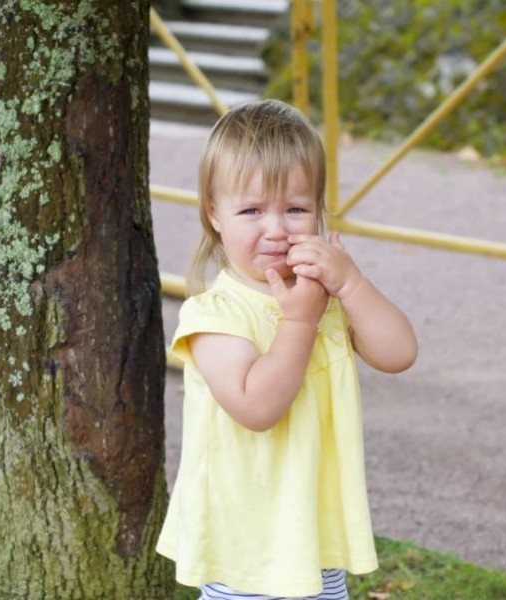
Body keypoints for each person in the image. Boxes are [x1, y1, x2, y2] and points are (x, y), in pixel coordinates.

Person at [156, 99, 418, 599]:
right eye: (251, 210)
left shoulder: (324, 292)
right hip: (245, 553)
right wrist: (301, 319)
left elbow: (399, 352)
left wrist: (353, 284)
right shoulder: (214, 314)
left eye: (296, 209)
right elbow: (257, 407)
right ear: (214, 213)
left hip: (315, 539)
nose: (276, 228)